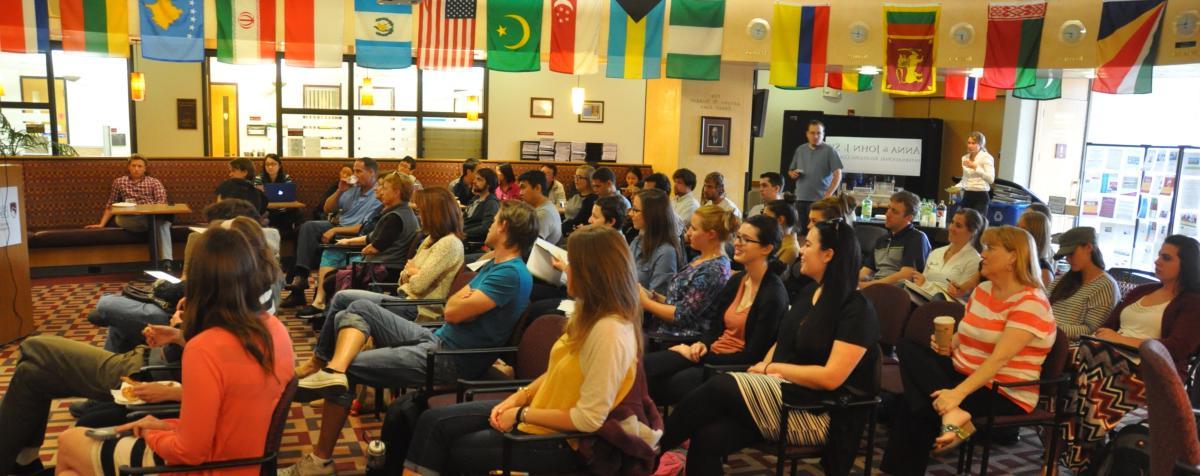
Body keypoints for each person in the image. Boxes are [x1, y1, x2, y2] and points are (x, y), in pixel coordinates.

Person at [282, 200, 537, 475]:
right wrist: (460, 302)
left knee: (351, 369)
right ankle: (332, 368)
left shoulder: (510, 273)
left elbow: (451, 311)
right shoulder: (493, 265)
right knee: (357, 307)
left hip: (450, 359)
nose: (489, 224)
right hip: (436, 338)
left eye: (495, 218)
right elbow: (455, 308)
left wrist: (458, 302)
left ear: (505, 227)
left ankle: (321, 459)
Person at [402, 225, 654, 475]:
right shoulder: (589, 315)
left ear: (592, 273)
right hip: (542, 412)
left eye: (571, 263)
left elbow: (588, 420)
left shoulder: (609, 331)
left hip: (565, 442)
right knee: (431, 421)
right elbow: (557, 372)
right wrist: (518, 398)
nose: (566, 269)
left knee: (452, 446)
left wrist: (522, 414)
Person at [53, 222, 294, 476]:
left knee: (68, 442)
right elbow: (231, 408)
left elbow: (189, 452)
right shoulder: (275, 329)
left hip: (209, 467)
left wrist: (152, 432)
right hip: (246, 462)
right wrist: (163, 425)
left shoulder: (206, 347)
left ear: (200, 284)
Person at [656, 218, 879, 475]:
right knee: (707, 437)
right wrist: (765, 367)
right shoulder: (810, 293)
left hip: (820, 411)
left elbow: (831, 378)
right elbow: (782, 340)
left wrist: (771, 368)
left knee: (721, 385)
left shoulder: (856, 309)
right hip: (785, 395)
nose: (800, 251)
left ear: (828, 254)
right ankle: (653, 449)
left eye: (807, 245)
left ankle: (652, 451)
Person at [881, 225, 1055, 474]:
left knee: (919, 402)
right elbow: (964, 336)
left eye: (990, 248)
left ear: (1013, 257)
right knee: (908, 347)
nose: (982, 254)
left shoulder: (1032, 303)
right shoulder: (983, 291)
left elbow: (998, 360)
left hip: (1003, 390)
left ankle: (899, 467)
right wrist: (948, 344)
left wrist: (955, 395)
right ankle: (954, 415)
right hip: (964, 373)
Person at [1059, 235, 1200, 472]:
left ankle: (1074, 448)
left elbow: (1176, 348)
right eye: (1158, 255)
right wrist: (1112, 339)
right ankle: (1077, 447)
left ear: (1185, 264)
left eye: (1166, 258)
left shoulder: (1193, 303)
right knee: (1070, 362)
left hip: (1151, 371)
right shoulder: (1142, 291)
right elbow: (1108, 325)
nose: (1157, 261)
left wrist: (1120, 340)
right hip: (1106, 357)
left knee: (1081, 364)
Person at [297, 187, 466, 379]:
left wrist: (412, 272)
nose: (419, 216)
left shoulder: (449, 244)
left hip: (419, 308)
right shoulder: (430, 240)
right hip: (404, 298)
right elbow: (405, 272)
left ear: (435, 214)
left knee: (345, 298)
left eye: (422, 212)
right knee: (343, 313)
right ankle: (334, 371)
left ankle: (319, 360)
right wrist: (412, 273)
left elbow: (418, 285)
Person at [89, 199, 275, 354]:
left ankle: (111, 385)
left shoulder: (231, 272)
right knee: (118, 325)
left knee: (106, 305)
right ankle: (113, 384)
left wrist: (178, 329)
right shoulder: (259, 268)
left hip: (188, 343)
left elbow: (213, 341)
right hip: (197, 334)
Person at [644, 215, 787, 406]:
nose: (737, 243)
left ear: (766, 248)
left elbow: (753, 354)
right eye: (738, 237)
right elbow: (715, 327)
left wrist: (700, 354)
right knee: (643, 367)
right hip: (710, 354)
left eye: (746, 239)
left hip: (730, 366)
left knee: (673, 383)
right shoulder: (738, 281)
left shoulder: (772, 295)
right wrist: (702, 344)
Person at [298, 172, 419, 318]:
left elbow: (374, 248)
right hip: (385, 264)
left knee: (331, 280)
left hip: (384, 268)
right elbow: (371, 239)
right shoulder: (401, 212)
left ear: (396, 192)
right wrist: (356, 243)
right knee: (332, 275)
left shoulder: (394, 217)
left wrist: (368, 247)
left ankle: (332, 316)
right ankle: (331, 315)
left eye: (385, 188)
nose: (380, 190)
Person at [284, 158, 384, 307]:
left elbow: (363, 227)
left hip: (353, 232)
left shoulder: (378, 194)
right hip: (339, 225)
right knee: (307, 227)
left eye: (358, 171)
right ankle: (301, 275)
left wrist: (335, 229)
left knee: (306, 235)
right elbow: (327, 209)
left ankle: (300, 287)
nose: (354, 174)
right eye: (354, 171)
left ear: (371, 172)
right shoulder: (352, 188)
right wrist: (339, 190)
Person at [640, 205, 734, 338]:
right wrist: (656, 298)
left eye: (694, 229)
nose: (688, 233)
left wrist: (646, 303)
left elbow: (681, 316)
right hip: (666, 332)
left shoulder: (714, 269)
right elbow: (685, 302)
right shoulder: (700, 259)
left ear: (711, 234)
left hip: (681, 339)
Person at [85, 154, 174, 269]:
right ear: (129, 167)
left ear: (145, 168)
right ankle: (153, 227)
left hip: (150, 216)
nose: (136, 169)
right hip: (129, 219)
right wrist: (101, 224)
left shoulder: (154, 182)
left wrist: (145, 210)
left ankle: (166, 262)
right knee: (119, 218)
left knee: (161, 223)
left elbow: (161, 203)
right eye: (134, 166)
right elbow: (111, 204)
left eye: (140, 166)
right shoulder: (119, 182)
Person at [1047, 227, 1119, 340]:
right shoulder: (1063, 279)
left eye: (1071, 254)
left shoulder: (1105, 286)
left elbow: (1092, 331)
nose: (1067, 259)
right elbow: (1043, 306)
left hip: (1067, 347)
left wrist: (1048, 328)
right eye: (1066, 256)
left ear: (1089, 247)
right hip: (1046, 338)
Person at [859, 191, 932, 287]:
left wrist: (868, 285)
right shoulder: (882, 240)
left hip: (897, 293)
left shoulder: (917, 238)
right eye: (889, 208)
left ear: (909, 218)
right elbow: (865, 273)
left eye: (894, 211)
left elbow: (906, 276)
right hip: (875, 288)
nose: (887, 214)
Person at [911, 208, 985, 297]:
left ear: (972, 232)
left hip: (947, 307)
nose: (951, 228)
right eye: (952, 222)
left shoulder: (974, 260)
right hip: (922, 299)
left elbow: (957, 294)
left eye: (958, 226)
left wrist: (925, 285)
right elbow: (921, 283)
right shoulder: (936, 252)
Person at [788, 120, 844, 231]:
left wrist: (828, 194)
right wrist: (793, 174)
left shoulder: (830, 151)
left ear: (823, 134)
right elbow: (790, 171)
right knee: (800, 231)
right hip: (800, 198)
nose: (816, 136)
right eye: (812, 133)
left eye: (819, 133)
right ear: (807, 134)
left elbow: (838, 175)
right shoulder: (800, 150)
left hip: (819, 200)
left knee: (817, 232)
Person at [630, 189, 684, 296]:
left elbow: (657, 296)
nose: (631, 214)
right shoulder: (638, 240)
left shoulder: (666, 252)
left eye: (635, 210)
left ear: (651, 215)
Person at [254, 153, 300, 234]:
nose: (270, 167)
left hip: (283, 210)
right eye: (267, 165)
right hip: (266, 211)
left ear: (279, 166)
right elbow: (258, 197)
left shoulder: (286, 178)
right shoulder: (259, 178)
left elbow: (289, 196)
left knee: (297, 212)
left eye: (273, 164)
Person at [954, 131, 995, 216]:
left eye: (973, 143)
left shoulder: (986, 157)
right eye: (969, 143)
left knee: (976, 225)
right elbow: (965, 178)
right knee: (962, 221)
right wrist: (955, 188)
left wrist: (975, 167)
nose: (970, 145)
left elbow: (991, 179)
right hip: (967, 194)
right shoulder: (964, 158)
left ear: (980, 145)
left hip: (981, 195)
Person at [519, 169, 562, 244]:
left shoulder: (544, 214)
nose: (520, 193)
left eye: (523, 188)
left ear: (537, 188)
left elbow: (531, 247)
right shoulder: (542, 206)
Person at [1019, 209, 1056, 286]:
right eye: (1017, 227)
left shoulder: (1044, 271)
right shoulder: (1020, 259)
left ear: (1034, 235)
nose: (1016, 232)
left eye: (1022, 229)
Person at [464, 167, 500, 244]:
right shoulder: (475, 198)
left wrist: (463, 233)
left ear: (488, 185)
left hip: (472, 243)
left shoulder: (491, 203)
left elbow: (485, 228)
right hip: (462, 237)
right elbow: (465, 218)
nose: (474, 181)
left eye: (479, 179)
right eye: (475, 178)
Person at [763, 199, 801, 266]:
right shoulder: (776, 239)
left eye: (766, 217)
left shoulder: (791, 250)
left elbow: (771, 274)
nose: (762, 220)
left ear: (780, 220)